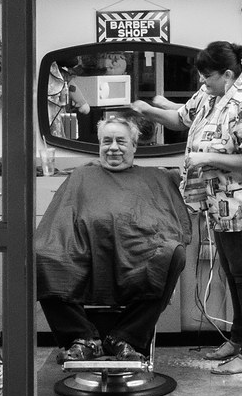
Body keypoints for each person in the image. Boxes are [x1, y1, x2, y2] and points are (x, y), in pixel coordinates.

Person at [134, 41, 242, 374]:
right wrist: (147, 110)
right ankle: (238, 340)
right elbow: (180, 118)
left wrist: (207, 157)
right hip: (218, 205)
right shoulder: (211, 96)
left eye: (208, 77)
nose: (202, 82)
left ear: (228, 75)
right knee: (232, 274)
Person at [34, 109, 190, 362]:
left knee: (173, 255)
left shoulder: (156, 177)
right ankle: (82, 338)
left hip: (139, 250)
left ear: (135, 145)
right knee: (42, 255)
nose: (113, 148)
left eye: (121, 141)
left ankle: (126, 337)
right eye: (107, 141)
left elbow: (170, 223)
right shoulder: (82, 175)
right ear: (99, 144)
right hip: (83, 249)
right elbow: (60, 222)